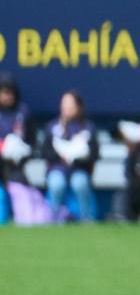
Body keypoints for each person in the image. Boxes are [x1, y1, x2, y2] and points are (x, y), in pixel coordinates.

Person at [42, 90, 100, 223]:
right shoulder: (53, 126)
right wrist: (59, 156)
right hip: (57, 167)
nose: (67, 108)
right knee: (56, 184)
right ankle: (53, 219)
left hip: (79, 168)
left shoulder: (87, 127)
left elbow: (95, 154)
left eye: (70, 105)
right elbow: (44, 152)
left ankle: (86, 218)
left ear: (78, 107)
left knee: (80, 183)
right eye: (64, 104)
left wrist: (80, 156)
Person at [0, 74, 36, 225]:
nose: (7, 96)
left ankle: (23, 220)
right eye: (3, 92)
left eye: (10, 93)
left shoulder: (23, 112)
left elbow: (32, 142)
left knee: (19, 188)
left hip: (16, 165)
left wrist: (21, 152)